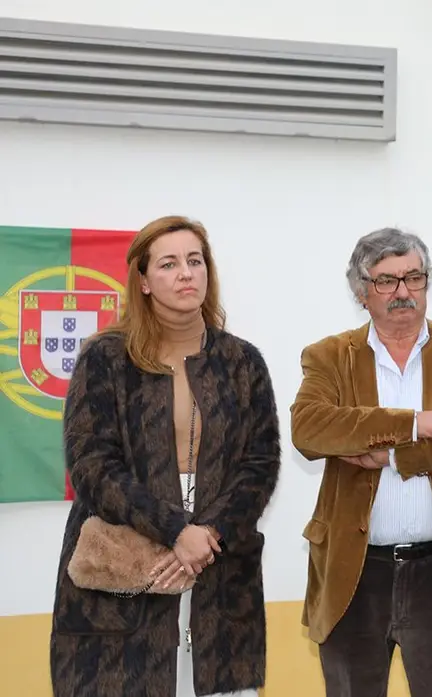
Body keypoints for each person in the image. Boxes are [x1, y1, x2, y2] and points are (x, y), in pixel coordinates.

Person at [50, 215, 282, 697]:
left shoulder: (243, 362)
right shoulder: (105, 359)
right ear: (143, 280)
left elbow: (260, 463)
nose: (186, 274)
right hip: (129, 547)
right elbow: (92, 465)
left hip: (220, 554)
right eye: (169, 264)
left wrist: (207, 535)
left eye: (195, 261)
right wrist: (175, 530)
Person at [290, 227, 432, 697]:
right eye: (386, 281)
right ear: (361, 292)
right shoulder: (329, 356)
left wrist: (390, 454)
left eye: (414, 277)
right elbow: (309, 429)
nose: (403, 291)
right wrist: (416, 423)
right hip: (354, 573)